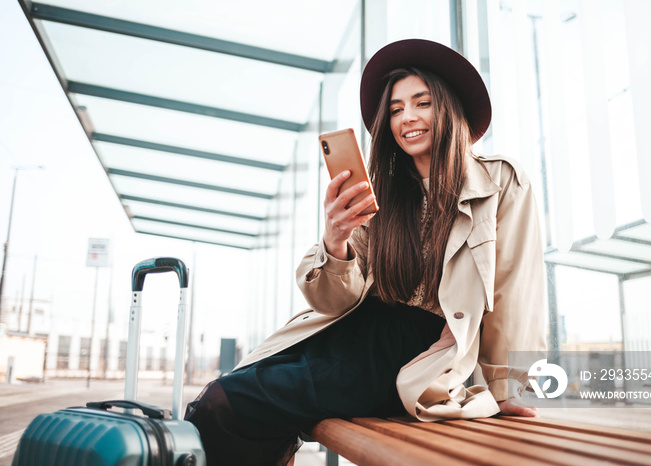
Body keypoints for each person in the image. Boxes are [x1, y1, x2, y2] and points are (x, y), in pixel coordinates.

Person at [185, 38, 547, 466]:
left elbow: (515, 289)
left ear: (447, 107)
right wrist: (335, 241)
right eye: (395, 109)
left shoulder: (499, 182)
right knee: (214, 401)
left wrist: (514, 390)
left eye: (421, 103)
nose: (407, 118)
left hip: (415, 351)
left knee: (228, 403)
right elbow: (337, 301)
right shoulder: (384, 198)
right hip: (349, 334)